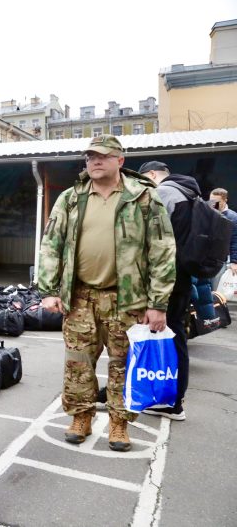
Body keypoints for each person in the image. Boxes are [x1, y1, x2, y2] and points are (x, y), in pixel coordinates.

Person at [38, 135, 176, 452]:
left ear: (120, 160)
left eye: (102, 155)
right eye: (89, 156)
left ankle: (118, 423)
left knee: (123, 365)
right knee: (78, 363)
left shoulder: (143, 199)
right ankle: (81, 417)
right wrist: (48, 289)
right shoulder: (71, 199)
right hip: (80, 298)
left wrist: (158, 303)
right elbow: (51, 245)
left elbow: (163, 252)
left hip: (127, 300)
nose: (95, 161)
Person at [136, 161, 202, 420]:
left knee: (166, 335)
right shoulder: (190, 192)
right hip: (184, 277)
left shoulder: (164, 193)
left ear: (152, 175)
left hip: (167, 278)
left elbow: (153, 241)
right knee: (176, 337)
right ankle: (174, 399)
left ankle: (169, 401)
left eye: (144, 180)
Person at [208, 188, 237, 286]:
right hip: (204, 259)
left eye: (217, 202)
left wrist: (234, 262)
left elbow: (235, 240)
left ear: (225, 200)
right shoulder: (206, 213)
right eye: (211, 201)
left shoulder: (233, 218)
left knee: (216, 289)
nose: (213, 204)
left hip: (221, 260)